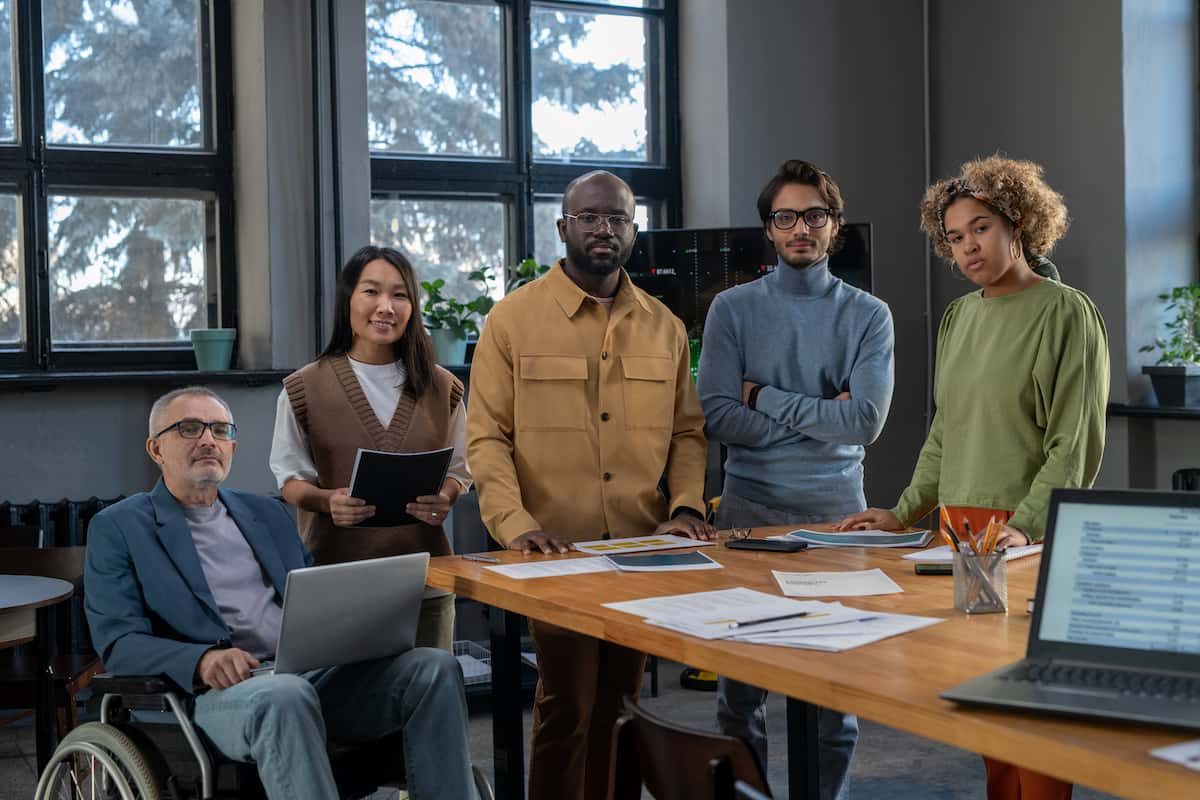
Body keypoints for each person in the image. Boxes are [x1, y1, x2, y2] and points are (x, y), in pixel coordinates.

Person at [838, 155, 1109, 800]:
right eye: (954, 237)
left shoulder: (1067, 312)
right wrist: (903, 511)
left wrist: (1023, 527)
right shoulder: (959, 318)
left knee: (1037, 721)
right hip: (960, 533)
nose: (968, 248)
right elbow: (944, 432)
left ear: (1019, 224)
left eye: (981, 228)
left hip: (1026, 537)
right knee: (988, 718)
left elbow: (1076, 443)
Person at [85, 386, 483, 800]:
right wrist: (201, 660)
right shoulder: (120, 527)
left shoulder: (267, 513)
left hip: (307, 675)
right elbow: (119, 642)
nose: (208, 440)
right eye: (189, 429)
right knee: (286, 696)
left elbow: (310, 600)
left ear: (232, 447)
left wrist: (359, 625)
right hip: (213, 696)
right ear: (155, 449)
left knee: (433, 668)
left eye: (220, 431)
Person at [467, 170, 714, 800]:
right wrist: (516, 527)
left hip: (639, 550)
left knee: (625, 707)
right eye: (589, 218)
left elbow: (688, 434)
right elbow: (487, 439)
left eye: (618, 219)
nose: (604, 230)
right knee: (566, 707)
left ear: (634, 230)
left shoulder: (665, 327)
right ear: (563, 228)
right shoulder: (511, 321)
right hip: (555, 555)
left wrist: (685, 506)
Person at [697, 159, 895, 799]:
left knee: (834, 701)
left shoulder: (869, 316)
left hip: (839, 520)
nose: (800, 228)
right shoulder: (732, 309)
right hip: (747, 517)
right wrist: (820, 415)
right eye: (786, 217)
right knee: (738, 697)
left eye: (814, 215)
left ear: (833, 226)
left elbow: (863, 422)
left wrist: (764, 397)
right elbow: (719, 416)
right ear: (770, 230)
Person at [270, 245, 470, 652]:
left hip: (425, 577)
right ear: (348, 301)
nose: (386, 307)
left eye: (400, 295)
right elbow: (289, 480)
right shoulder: (304, 387)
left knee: (430, 697)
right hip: (337, 579)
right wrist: (328, 501)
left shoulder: (442, 386)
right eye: (371, 292)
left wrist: (446, 496)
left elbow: (462, 469)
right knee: (347, 707)